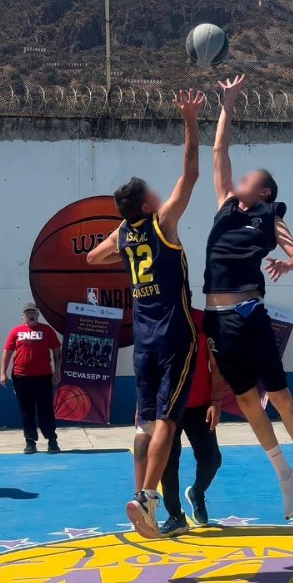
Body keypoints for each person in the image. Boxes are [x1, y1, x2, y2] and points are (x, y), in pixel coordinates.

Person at [202, 74, 293, 517]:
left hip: (248, 313)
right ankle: (286, 474)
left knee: (279, 396)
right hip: (217, 319)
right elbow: (219, 152)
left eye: (249, 179)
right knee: (244, 402)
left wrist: (286, 263)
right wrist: (227, 104)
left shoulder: (268, 218)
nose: (238, 180)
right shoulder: (225, 204)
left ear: (263, 191)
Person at [86, 88, 206, 538]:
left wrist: (120, 234)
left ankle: (139, 494)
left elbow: (93, 258)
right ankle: (147, 498)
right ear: (146, 205)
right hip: (175, 335)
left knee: (144, 423)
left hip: (142, 340)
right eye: (152, 193)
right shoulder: (162, 223)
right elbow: (191, 174)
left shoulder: (124, 236)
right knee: (168, 422)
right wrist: (191, 121)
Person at [158, 308, 225, 536]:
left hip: (200, 405)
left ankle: (197, 492)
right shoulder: (158, 319)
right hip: (168, 405)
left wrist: (216, 401)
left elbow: (216, 366)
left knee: (212, 459)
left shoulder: (204, 321)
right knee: (167, 463)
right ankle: (175, 515)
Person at [0, 303, 62, 454]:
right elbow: (7, 352)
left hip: (43, 377)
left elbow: (56, 351)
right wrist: (3, 373)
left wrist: (57, 371)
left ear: (38, 314)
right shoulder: (16, 331)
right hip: (21, 378)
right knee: (26, 411)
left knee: (46, 410)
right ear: (24, 316)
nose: (31, 315)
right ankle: (30, 442)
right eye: (28, 313)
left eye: (33, 312)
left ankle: (52, 440)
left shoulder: (47, 330)